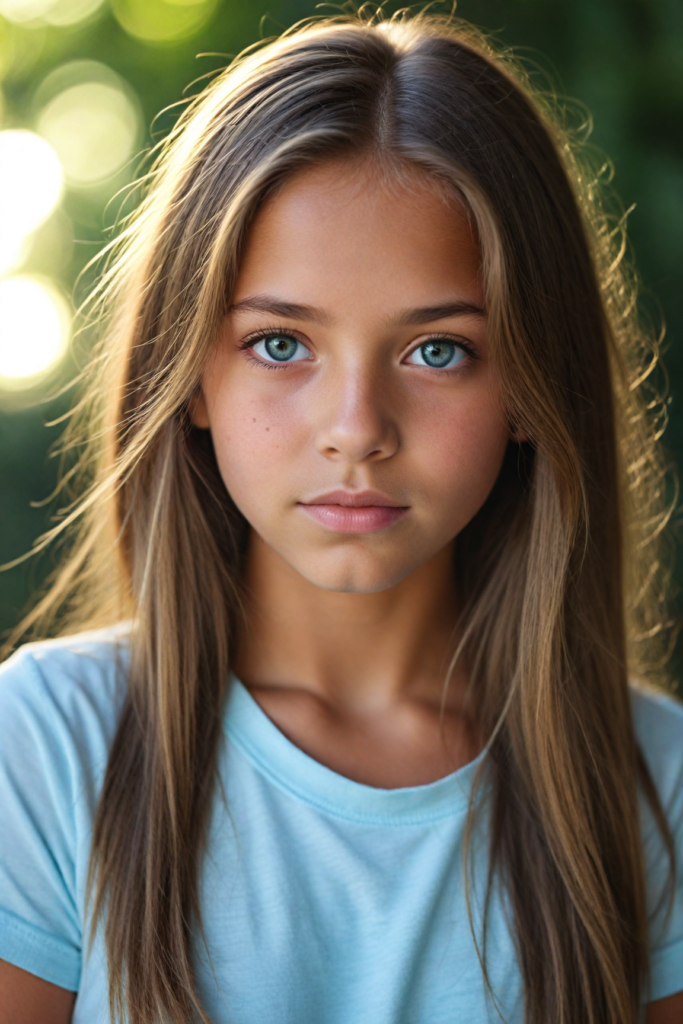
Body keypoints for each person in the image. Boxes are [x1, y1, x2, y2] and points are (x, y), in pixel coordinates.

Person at [0, 11, 681, 1024]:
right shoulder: (48, 749)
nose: (356, 430)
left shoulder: (653, 786)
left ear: (534, 389)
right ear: (189, 374)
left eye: (436, 350)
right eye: (280, 343)